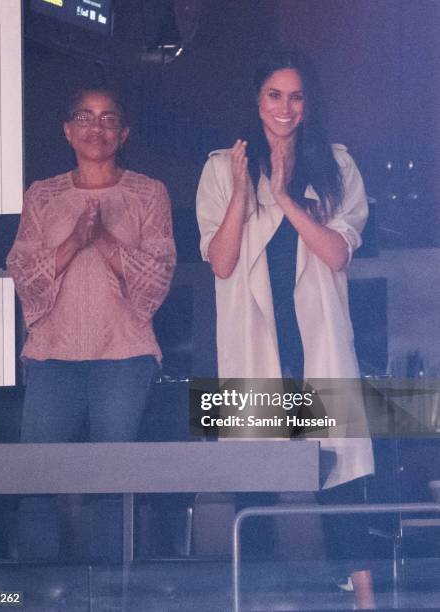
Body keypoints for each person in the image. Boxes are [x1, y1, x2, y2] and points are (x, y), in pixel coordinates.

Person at [196, 50, 375, 608]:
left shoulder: (336, 164)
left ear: (308, 102)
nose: (285, 107)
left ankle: (365, 596)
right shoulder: (221, 167)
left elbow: (337, 253)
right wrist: (247, 192)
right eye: (275, 94)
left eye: (296, 96)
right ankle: (257, 597)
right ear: (257, 100)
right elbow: (221, 262)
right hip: (255, 339)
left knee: (343, 471)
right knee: (256, 472)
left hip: (315, 338)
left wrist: (286, 197)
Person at [7, 86, 176, 562]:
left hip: (123, 358)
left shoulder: (148, 192)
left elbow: (156, 280)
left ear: (123, 133)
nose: (95, 127)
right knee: (37, 479)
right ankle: (36, 592)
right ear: (67, 130)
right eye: (84, 116)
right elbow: (23, 273)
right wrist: (73, 241)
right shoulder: (43, 195)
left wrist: (101, 238)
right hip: (51, 359)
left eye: (107, 119)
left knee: (114, 479)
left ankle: (113, 593)